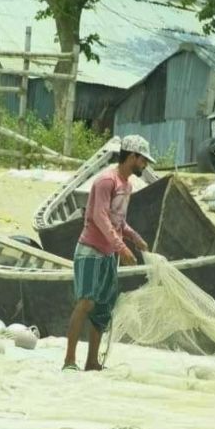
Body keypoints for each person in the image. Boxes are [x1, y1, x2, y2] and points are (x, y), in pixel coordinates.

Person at [63, 135, 154, 372]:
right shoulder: (106, 181)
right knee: (86, 302)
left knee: (103, 309)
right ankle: (69, 360)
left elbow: (118, 222)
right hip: (91, 251)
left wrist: (134, 237)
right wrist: (121, 248)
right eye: (143, 160)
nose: (145, 165)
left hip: (107, 255)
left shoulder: (127, 185)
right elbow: (99, 217)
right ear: (132, 156)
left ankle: (92, 362)